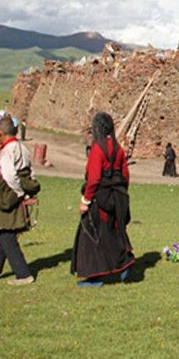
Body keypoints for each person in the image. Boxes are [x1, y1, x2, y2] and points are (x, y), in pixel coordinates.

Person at [72, 112, 135, 286]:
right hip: (116, 196)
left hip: (101, 198)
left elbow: (93, 179)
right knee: (113, 232)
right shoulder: (118, 148)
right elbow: (125, 174)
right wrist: (120, 194)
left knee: (90, 235)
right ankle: (125, 264)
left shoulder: (98, 149)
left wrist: (85, 201)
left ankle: (95, 277)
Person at [0, 117, 36, 285]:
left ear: (0, 133)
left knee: (7, 236)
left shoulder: (8, 151)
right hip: (18, 193)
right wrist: (26, 193)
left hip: (9, 194)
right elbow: (30, 172)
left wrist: (19, 193)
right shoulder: (23, 148)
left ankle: (23, 274)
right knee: (5, 230)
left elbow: (9, 175)